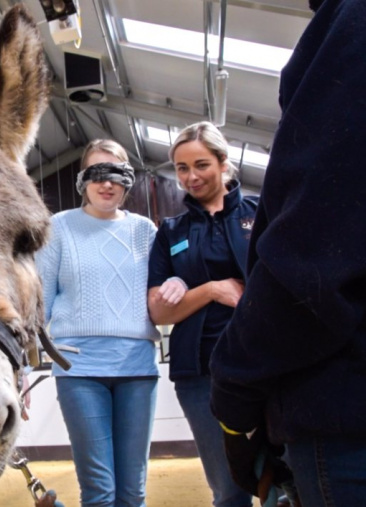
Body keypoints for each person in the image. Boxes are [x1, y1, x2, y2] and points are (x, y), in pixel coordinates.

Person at [210, 0, 366, 505]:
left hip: (340, 403)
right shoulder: (172, 230)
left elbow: (314, 262)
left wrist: (234, 390)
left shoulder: (355, 20)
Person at [36, 139, 160, 507]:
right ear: (82, 181)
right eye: (97, 174)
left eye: (117, 174)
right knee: (100, 492)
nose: (107, 184)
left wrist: (176, 283)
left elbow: (160, 291)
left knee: (132, 493)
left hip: (138, 368)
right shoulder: (58, 228)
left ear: (128, 181)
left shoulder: (145, 231)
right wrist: (18, 368)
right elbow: (38, 305)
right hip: (78, 369)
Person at [147, 121, 256, 507]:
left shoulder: (261, 215)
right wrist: (210, 290)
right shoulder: (171, 231)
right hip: (200, 373)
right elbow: (159, 310)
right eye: (181, 168)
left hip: (266, 366)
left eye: (201, 165)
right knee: (228, 489)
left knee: (292, 477)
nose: (191, 176)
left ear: (223, 163)